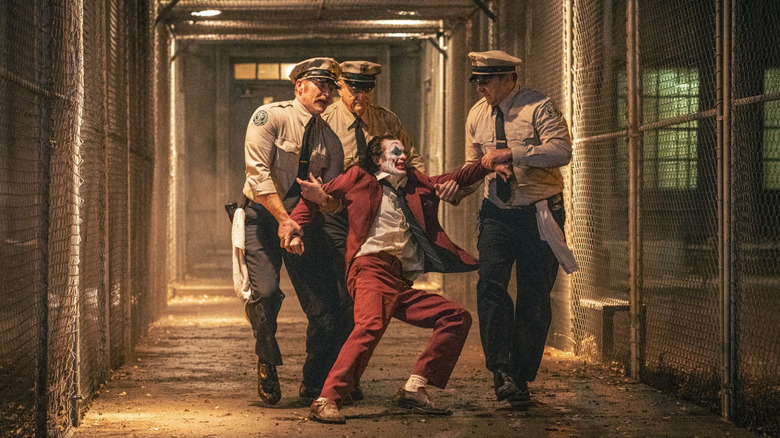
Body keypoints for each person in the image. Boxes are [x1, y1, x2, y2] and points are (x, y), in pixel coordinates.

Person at [284, 133, 493, 424]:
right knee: (370, 324)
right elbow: (313, 196)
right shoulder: (359, 178)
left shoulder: (416, 184)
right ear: (378, 159)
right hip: (369, 267)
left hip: (398, 279)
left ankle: (414, 388)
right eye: (395, 152)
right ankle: (327, 398)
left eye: (404, 152)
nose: (403, 156)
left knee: (456, 317)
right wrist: (294, 227)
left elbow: (457, 176)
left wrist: (486, 163)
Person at [462, 50, 574, 406]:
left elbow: (561, 151)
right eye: (477, 81)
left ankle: (520, 374)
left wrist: (511, 154)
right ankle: (501, 370)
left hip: (539, 213)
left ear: (509, 78)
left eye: (487, 80)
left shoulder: (539, 107)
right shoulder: (477, 115)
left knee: (534, 296)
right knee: (490, 286)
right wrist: (458, 184)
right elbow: (473, 163)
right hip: (497, 212)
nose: (481, 88)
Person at [241, 57, 351, 406]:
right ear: (299, 86)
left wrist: (317, 211)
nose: (327, 92)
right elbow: (257, 176)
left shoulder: (330, 140)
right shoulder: (270, 117)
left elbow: (333, 195)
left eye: (331, 87)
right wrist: (283, 219)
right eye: (320, 84)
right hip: (261, 217)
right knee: (266, 294)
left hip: (303, 223)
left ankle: (314, 380)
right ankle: (266, 362)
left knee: (325, 308)